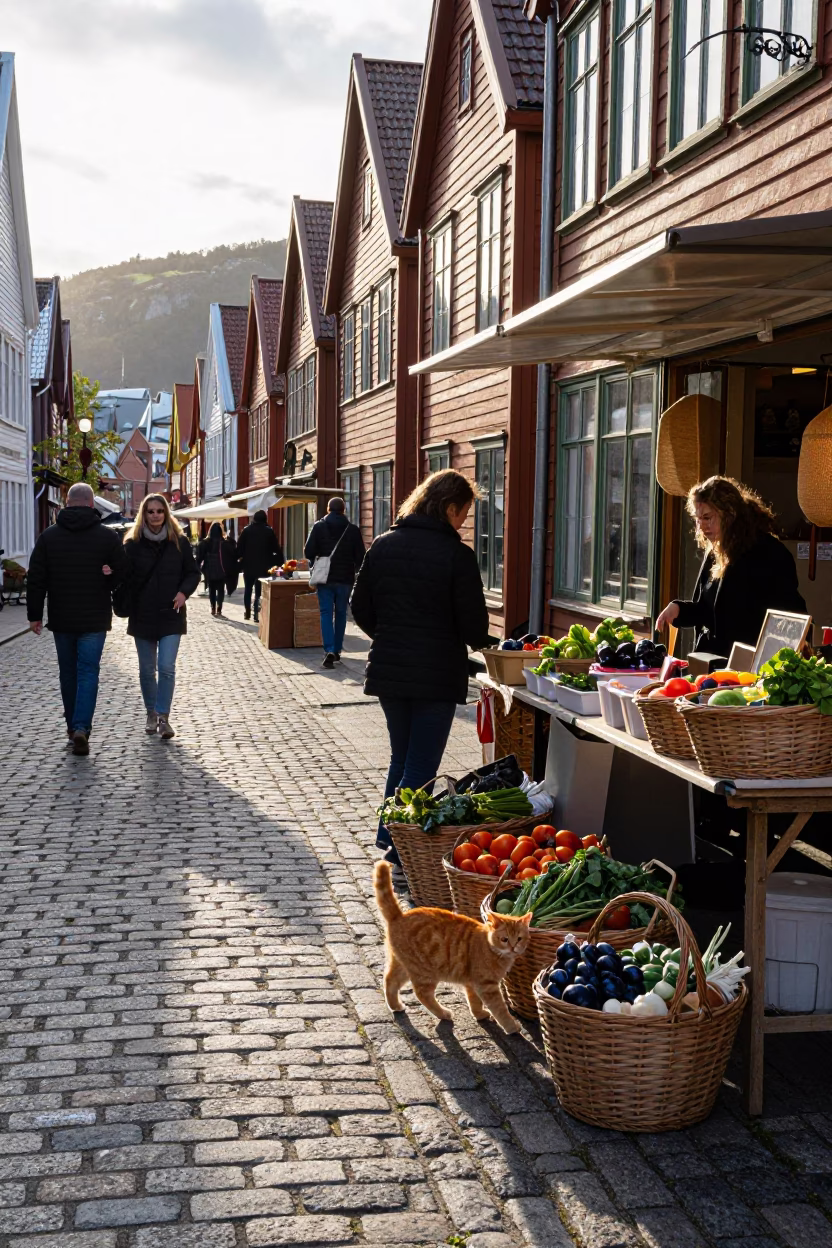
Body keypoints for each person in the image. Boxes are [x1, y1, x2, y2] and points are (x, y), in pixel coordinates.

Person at [350, 469, 490, 862]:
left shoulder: (383, 544)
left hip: (391, 671)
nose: (463, 522)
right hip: (436, 673)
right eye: (463, 513)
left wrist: (388, 635)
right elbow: (474, 627)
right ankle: (399, 850)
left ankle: (388, 837)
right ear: (448, 508)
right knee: (421, 767)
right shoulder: (456, 556)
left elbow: (359, 606)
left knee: (403, 757)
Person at [656, 475, 807, 658]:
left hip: (750, 668)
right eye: (697, 519)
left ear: (730, 514)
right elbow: (709, 611)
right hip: (713, 663)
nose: (701, 527)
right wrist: (680, 609)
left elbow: (789, 617)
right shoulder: (716, 550)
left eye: (707, 518)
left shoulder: (769, 553)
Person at [26, 482, 126, 755]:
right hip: (95, 617)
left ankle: (72, 727)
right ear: (92, 504)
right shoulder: (107, 538)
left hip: (62, 617)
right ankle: (82, 727)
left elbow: (36, 578)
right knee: (88, 671)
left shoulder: (49, 537)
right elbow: (123, 573)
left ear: (67, 503)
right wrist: (110, 576)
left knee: (68, 673)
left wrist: (34, 615)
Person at [123, 493, 200, 738]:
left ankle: (163, 716)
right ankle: (151, 713)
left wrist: (183, 593)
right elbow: (122, 577)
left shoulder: (179, 541)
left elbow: (193, 572)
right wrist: (108, 571)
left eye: (159, 511)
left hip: (171, 613)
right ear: (143, 514)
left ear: (166, 513)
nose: (155, 515)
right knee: (147, 669)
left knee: (166, 667)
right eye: (150, 511)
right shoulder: (132, 545)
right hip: (142, 613)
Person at [305, 497, 366, 668]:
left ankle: (329, 649)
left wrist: (315, 560)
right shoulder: (352, 530)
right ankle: (337, 650)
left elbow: (308, 550)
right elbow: (360, 556)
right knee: (340, 613)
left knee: (325, 612)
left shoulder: (318, 526)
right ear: (343, 510)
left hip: (324, 578)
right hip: (345, 578)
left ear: (328, 509)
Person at [236, 509, 283, 622]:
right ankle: (257, 613)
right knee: (259, 590)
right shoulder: (268, 531)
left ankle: (247, 611)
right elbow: (275, 548)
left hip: (248, 565)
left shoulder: (246, 531)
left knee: (248, 588)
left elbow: (239, 548)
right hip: (264, 565)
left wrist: (240, 558)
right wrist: (279, 561)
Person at [196, 522, 237, 617]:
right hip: (222, 570)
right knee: (221, 590)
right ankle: (219, 608)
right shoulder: (225, 543)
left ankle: (213, 607)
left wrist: (200, 569)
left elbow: (199, 558)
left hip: (210, 569)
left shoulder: (205, 543)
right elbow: (233, 554)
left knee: (212, 589)